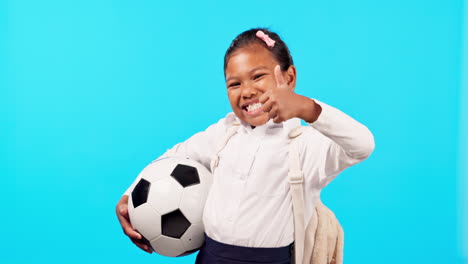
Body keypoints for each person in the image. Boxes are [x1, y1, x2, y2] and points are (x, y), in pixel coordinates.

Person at [116, 27, 375, 264]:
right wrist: (129, 198)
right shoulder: (223, 134)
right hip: (212, 258)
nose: (247, 91)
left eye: (258, 76)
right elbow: (172, 159)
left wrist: (307, 107)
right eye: (235, 84)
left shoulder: (305, 146)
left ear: (290, 77)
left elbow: (362, 144)